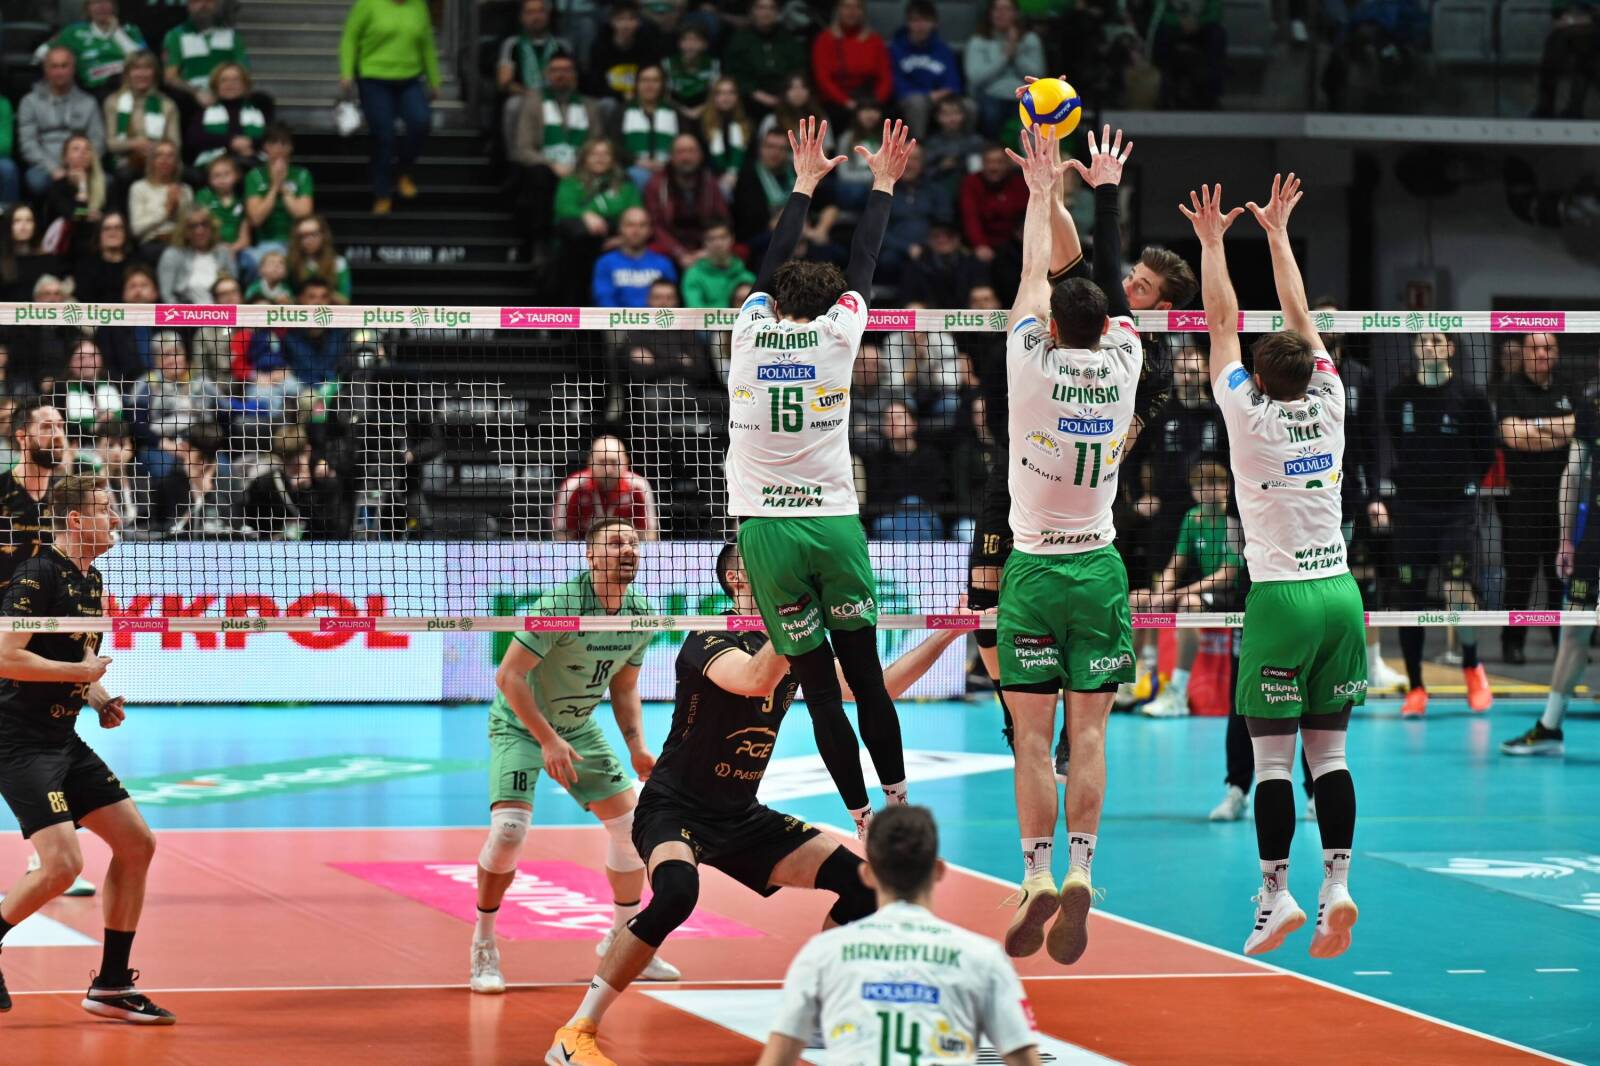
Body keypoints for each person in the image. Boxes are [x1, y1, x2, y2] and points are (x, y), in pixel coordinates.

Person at [546, 546, 971, 1066]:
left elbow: (875, 690)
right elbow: (754, 678)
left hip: (740, 815)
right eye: (770, 565)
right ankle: (575, 1032)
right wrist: (794, 619)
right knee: (677, 893)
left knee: (867, 887)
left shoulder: (797, 645)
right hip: (673, 809)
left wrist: (948, 633)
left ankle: (816, 1012)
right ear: (738, 578)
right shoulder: (708, 637)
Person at [1181, 173, 1363, 959]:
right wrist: (1280, 236)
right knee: (1333, 756)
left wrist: (1212, 242)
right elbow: (1299, 319)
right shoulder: (1331, 398)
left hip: (1282, 599)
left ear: (1258, 380)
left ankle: (1275, 894)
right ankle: (1338, 885)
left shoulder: (1247, 414)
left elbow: (1221, 320)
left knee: (1274, 762)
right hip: (1341, 594)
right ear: (1311, 369)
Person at [726, 116, 914, 838]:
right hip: (832, 526)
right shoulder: (840, 335)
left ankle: (860, 819)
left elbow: (770, 263)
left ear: (773, 307)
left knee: (818, 693)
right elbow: (863, 260)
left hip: (767, 536)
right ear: (832, 309)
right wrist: (883, 184)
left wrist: (802, 184)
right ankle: (898, 806)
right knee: (865, 679)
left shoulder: (749, 332)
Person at [993, 128, 1139, 967]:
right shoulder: (1125, 359)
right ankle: (1083, 868)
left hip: (1034, 572)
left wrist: (1041, 191)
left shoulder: (1029, 364)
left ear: (1051, 326)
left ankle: (1036, 875)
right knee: (1089, 737)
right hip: (1098, 569)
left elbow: (1029, 271)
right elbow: (1109, 288)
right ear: (1107, 327)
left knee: (1029, 738)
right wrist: (1103, 193)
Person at [469, 518, 680, 994]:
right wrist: (547, 740)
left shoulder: (641, 613)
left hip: (578, 728)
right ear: (589, 555)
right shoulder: (559, 606)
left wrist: (637, 747)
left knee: (632, 831)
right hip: (521, 726)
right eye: (615, 542)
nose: (628, 549)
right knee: (509, 831)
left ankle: (625, 942)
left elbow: (624, 686)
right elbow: (508, 677)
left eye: (633, 542)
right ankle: (483, 944)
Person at [0, 475, 172, 1022]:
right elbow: (5, 655)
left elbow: (73, 660)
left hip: (62, 738)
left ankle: (112, 985)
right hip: (17, 741)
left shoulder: (90, 579)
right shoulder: (37, 574)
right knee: (62, 865)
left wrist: (95, 697)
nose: (116, 519)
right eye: (105, 509)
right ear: (76, 520)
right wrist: (80, 674)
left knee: (137, 844)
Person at [757, 805, 1041, 1066]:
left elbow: (776, 1059)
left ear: (866, 874)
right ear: (939, 870)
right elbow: (1025, 1059)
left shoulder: (821, 954)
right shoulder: (983, 957)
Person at [1384, 331, 1497, 717]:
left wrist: (1463, 485)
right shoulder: (1398, 397)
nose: (1429, 345)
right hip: (1411, 511)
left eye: (1437, 340)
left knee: (1458, 591)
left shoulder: (1471, 397)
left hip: (1456, 511)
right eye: (1423, 340)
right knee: (1409, 600)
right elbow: (1397, 443)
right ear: (1415, 348)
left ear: (1450, 348)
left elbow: (1485, 450)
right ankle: (1416, 687)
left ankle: (1472, 666)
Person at [1502, 370, 1600, 757]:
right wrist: (1566, 539)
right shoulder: (1592, 403)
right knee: (1574, 632)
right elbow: (1573, 472)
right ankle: (1549, 727)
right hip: (1593, 538)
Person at [1132, 456, 1243, 718]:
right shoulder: (1192, 517)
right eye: (1200, 485)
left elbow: (1227, 576)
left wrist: (1177, 593)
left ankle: (1178, 694)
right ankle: (1136, 681)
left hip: (1234, 594)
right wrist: (1161, 592)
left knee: (1189, 605)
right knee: (1137, 599)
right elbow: (1175, 564)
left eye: (1214, 483)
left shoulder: (1233, 520)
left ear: (1226, 487)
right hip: (1202, 590)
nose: (1206, 490)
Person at [1495, 331, 1572, 665]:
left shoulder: (1568, 386)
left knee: (1560, 574)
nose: (1542, 353)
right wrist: (1557, 429)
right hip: (1522, 498)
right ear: (1525, 352)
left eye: (1548, 347)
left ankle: (1563, 644)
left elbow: (1577, 428)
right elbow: (1513, 436)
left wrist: (1534, 427)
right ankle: (1512, 642)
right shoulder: (1509, 389)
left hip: (1563, 498)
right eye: (1535, 347)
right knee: (1520, 574)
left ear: (1556, 353)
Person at [339, 0, 440, 215]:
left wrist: (434, 79)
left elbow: (427, 44)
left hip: (410, 78)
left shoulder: (419, 6)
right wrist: (347, 72)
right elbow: (350, 38)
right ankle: (382, 192)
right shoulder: (367, 4)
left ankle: (404, 170)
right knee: (384, 135)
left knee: (421, 121)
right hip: (374, 77)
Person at [18, 47, 108, 200]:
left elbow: (98, 140)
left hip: (82, 163)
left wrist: (83, 163)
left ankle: (91, 214)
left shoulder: (89, 102)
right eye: (54, 66)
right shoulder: (29, 102)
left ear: (73, 69)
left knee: (107, 181)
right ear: (46, 70)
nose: (59, 72)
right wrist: (53, 168)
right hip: (44, 165)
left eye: (64, 66)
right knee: (37, 181)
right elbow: (28, 144)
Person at [643, 133, 729, 270]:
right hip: (669, 248)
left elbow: (722, 220)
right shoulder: (656, 184)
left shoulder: (710, 182)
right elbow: (655, 225)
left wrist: (707, 250)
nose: (686, 157)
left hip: (704, 247)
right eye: (680, 152)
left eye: (691, 151)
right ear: (671, 156)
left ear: (700, 155)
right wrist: (679, 252)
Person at [497, 0, 572, 150]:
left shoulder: (562, 45)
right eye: (530, 12)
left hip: (558, 95)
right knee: (513, 105)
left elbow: (572, 78)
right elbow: (504, 82)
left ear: (548, 15)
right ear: (521, 17)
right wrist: (531, 94)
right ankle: (515, 156)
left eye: (540, 11)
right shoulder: (512, 44)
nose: (536, 17)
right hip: (525, 95)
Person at [552, 435, 660, 540]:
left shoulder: (639, 487)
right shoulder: (572, 486)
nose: (608, 469)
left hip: (624, 549)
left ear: (626, 462)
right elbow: (562, 534)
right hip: (582, 549)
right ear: (590, 462)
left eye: (614, 462)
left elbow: (648, 534)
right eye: (602, 462)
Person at [964, 0, 1045, 136]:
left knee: (1035, 113)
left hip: (1024, 97)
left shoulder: (1030, 39)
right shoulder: (978, 41)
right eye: (996, 9)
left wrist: (1015, 54)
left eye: (1007, 9)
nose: (1001, 14)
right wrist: (1005, 57)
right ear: (990, 14)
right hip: (990, 96)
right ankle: (992, 147)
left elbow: (1038, 76)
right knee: (991, 113)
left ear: (1016, 14)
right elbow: (975, 78)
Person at [103, 51, 182, 187]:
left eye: (147, 68)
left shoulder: (167, 104)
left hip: (161, 160)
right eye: (136, 68)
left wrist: (154, 150)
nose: (142, 74)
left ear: (155, 73)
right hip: (125, 161)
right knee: (125, 175)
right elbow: (110, 143)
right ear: (127, 73)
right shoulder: (113, 102)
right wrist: (136, 144)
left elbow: (175, 144)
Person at [890, 0, 964, 139]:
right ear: (908, 23)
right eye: (915, 20)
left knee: (969, 107)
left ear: (934, 23)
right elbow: (898, 86)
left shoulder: (943, 49)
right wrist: (927, 95)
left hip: (941, 98)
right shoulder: (896, 49)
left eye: (925, 20)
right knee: (917, 102)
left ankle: (964, 145)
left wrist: (938, 95)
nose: (920, 26)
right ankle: (918, 145)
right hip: (910, 99)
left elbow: (953, 84)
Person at [722, 0, 805, 120]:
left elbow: (798, 69)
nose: (766, 13)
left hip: (786, 98)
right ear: (752, 11)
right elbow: (733, 73)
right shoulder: (739, 39)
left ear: (778, 13)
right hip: (750, 101)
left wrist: (788, 94)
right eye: (761, 8)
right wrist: (756, 94)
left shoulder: (788, 38)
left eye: (771, 8)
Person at [810, 0, 892, 121]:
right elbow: (823, 79)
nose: (852, 12)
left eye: (857, 7)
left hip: (869, 99)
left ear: (863, 12)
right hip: (836, 102)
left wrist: (874, 102)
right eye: (847, 7)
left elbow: (885, 77)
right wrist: (846, 102)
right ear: (838, 10)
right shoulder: (824, 40)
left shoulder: (875, 40)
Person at [50, 0, 150, 99]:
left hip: (131, 87)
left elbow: (142, 60)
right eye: (96, 2)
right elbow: (46, 54)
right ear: (87, 8)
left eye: (106, 1)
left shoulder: (130, 30)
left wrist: (117, 31)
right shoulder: (73, 32)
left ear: (114, 6)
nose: (101, 6)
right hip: (96, 92)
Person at [243, 124, 313, 253]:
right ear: (265, 146)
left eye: (284, 143)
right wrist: (275, 187)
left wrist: (283, 187)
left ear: (291, 147)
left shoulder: (302, 175)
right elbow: (256, 219)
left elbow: (304, 216)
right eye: (274, 142)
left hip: (297, 243)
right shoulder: (254, 176)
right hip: (265, 244)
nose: (279, 147)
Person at [591, 206, 676, 307]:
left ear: (650, 230)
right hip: (616, 316)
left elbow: (670, 303)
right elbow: (604, 300)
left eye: (642, 225)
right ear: (620, 228)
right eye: (630, 225)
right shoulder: (605, 263)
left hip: (654, 317)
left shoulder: (664, 264)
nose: (636, 231)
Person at [185, 61, 265, 169]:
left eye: (236, 80)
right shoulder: (204, 112)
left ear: (245, 85)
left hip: (251, 162)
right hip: (212, 166)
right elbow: (194, 139)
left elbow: (268, 137)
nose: (230, 84)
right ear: (216, 86)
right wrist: (230, 141)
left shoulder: (259, 111)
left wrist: (250, 143)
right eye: (224, 80)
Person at [614, 65, 678, 189]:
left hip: (669, 169)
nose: (649, 85)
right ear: (637, 84)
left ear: (663, 84)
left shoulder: (674, 111)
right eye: (645, 80)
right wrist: (636, 161)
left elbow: (684, 142)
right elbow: (614, 144)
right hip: (633, 169)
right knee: (637, 176)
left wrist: (668, 163)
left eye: (655, 80)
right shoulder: (622, 111)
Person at [157, 205, 236, 303]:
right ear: (184, 230)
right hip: (186, 309)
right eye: (192, 226)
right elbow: (166, 295)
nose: (199, 231)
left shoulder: (223, 252)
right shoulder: (172, 255)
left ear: (212, 226)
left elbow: (234, 286)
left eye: (204, 224)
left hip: (222, 309)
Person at [127, 140, 192, 256]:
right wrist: (165, 211)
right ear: (152, 161)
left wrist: (178, 205)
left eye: (170, 156)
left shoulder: (186, 189)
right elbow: (136, 229)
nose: (165, 160)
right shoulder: (139, 188)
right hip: (153, 243)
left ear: (176, 162)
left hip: (180, 242)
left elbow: (189, 225)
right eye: (159, 155)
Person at [680, 220, 752, 308]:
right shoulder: (693, 275)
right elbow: (695, 309)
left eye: (723, 237)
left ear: (732, 239)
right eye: (711, 239)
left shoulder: (747, 277)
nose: (718, 243)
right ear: (704, 242)